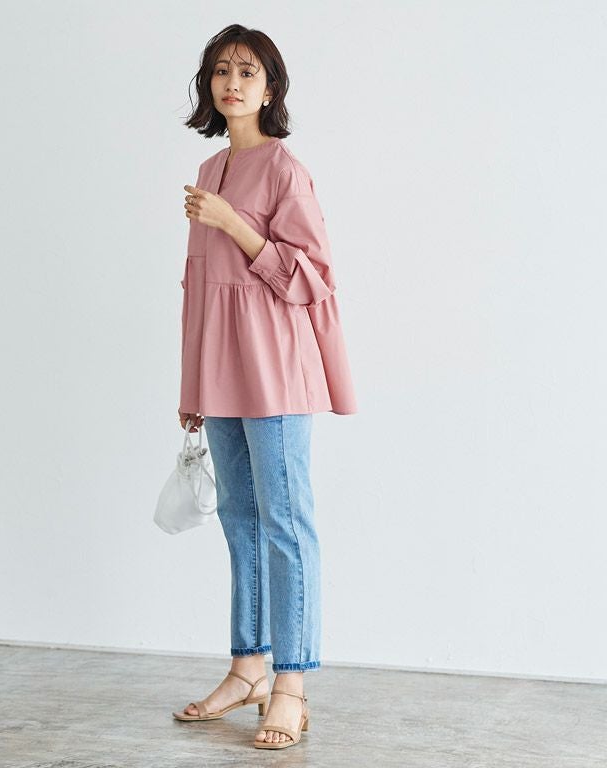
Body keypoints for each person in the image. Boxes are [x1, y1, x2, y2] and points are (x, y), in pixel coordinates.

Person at [172, 24, 358, 750]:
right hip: (219, 369)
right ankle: (247, 668)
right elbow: (198, 287)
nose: (232, 83)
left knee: (285, 522)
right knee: (239, 520)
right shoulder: (209, 167)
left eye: (247, 72)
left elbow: (312, 278)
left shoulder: (285, 169)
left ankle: (291, 684)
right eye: (221, 71)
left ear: (270, 87)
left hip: (275, 366)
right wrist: (191, 381)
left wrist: (234, 225)